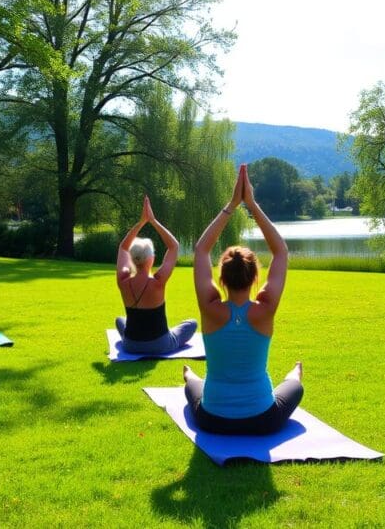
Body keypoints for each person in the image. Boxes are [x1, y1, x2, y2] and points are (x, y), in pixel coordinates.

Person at [184, 164, 303, 435]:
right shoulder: (265, 309)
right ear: (254, 279)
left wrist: (231, 205)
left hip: (212, 419)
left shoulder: (210, 308)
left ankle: (190, 376)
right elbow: (281, 252)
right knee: (295, 385)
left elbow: (202, 250)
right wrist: (251, 204)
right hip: (262, 419)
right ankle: (294, 373)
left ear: (222, 280)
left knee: (193, 387)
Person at [115, 195, 197, 354]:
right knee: (191, 324)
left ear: (132, 258)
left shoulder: (123, 280)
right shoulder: (158, 281)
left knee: (119, 320)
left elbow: (123, 248)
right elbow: (174, 246)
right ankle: (169, 333)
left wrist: (140, 223)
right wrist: (152, 220)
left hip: (131, 344)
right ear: (151, 258)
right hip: (160, 344)